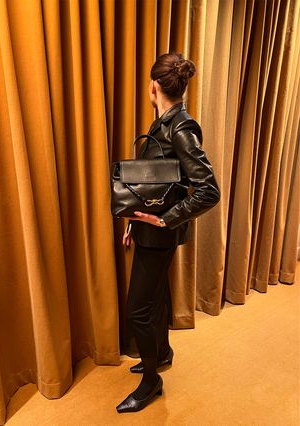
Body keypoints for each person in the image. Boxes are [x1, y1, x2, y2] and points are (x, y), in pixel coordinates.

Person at [115, 52, 221, 413]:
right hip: (147, 230)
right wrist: (133, 221)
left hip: (160, 233)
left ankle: (151, 384)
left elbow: (209, 190)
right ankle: (160, 353)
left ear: (154, 86)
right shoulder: (163, 122)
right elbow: (150, 182)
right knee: (156, 297)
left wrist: (165, 220)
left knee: (137, 311)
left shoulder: (181, 128)